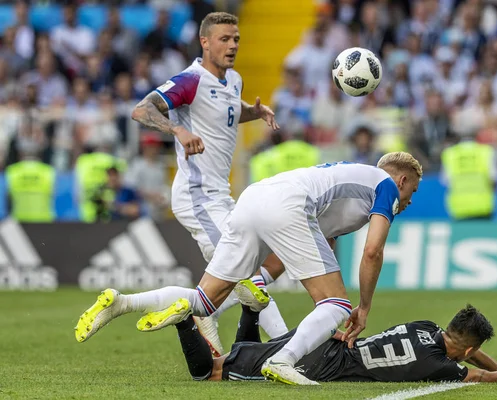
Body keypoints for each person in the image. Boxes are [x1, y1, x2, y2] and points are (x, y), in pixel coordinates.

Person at [75, 152, 423, 386]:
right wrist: (362, 308)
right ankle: (283, 359)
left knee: (204, 300)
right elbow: (373, 251)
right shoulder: (386, 185)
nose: (408, 202)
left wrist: (268, 279)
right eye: (413, 192)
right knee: (336, 306)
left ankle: (122, 302)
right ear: (404, 180)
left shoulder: (348, 182)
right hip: (287, 206)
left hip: (255, 197)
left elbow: (300, 251)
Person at [129, 12, 287, 356]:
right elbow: (141, 110)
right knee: (247, 274)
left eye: (236, 39)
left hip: (221, 196)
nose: (232, 46)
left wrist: (253, 112)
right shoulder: (190, 80)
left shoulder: (234, 80)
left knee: (247, 271)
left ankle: (198, 313)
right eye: (224, 39)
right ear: (205, 42)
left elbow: (227, 111)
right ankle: (286, 351)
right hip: (196, 196)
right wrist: (178, 129)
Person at [173, 304, 497, 384]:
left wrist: (483, 358)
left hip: (327, 341)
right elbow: (485, 377)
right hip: (320, 368)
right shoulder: (442, 367)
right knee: (210, 373)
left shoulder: (426, 325)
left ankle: (252, 310)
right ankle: (182, 324)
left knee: (237, 357)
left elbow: (471, 352)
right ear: (463, 352)